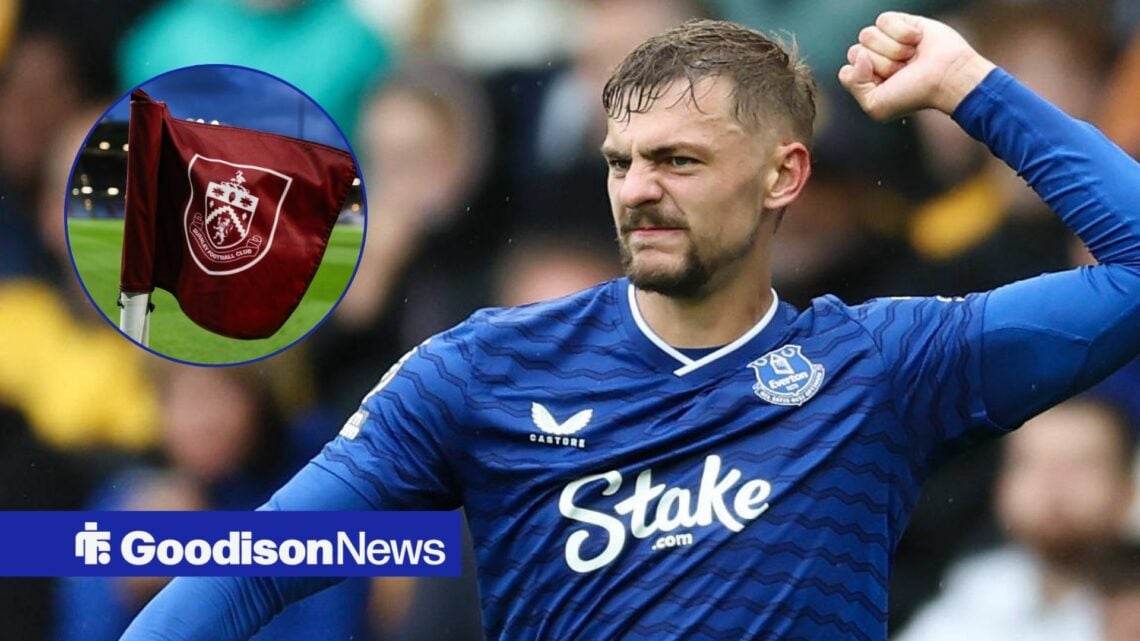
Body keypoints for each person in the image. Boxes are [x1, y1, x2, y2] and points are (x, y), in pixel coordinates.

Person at [121, 12, 1140, 640]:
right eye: (622, 161)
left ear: (784, 175)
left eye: (679, 161)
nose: (639, 190)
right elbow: (253, 567)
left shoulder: (881, 367)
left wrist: (970, 88)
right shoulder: (481, 371)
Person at [895, 396, 1137, 641]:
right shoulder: (977, 590)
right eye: (1032, 463)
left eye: (1081, 465)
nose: (1054, 486)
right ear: (1000, 487)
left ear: (1127, 489)